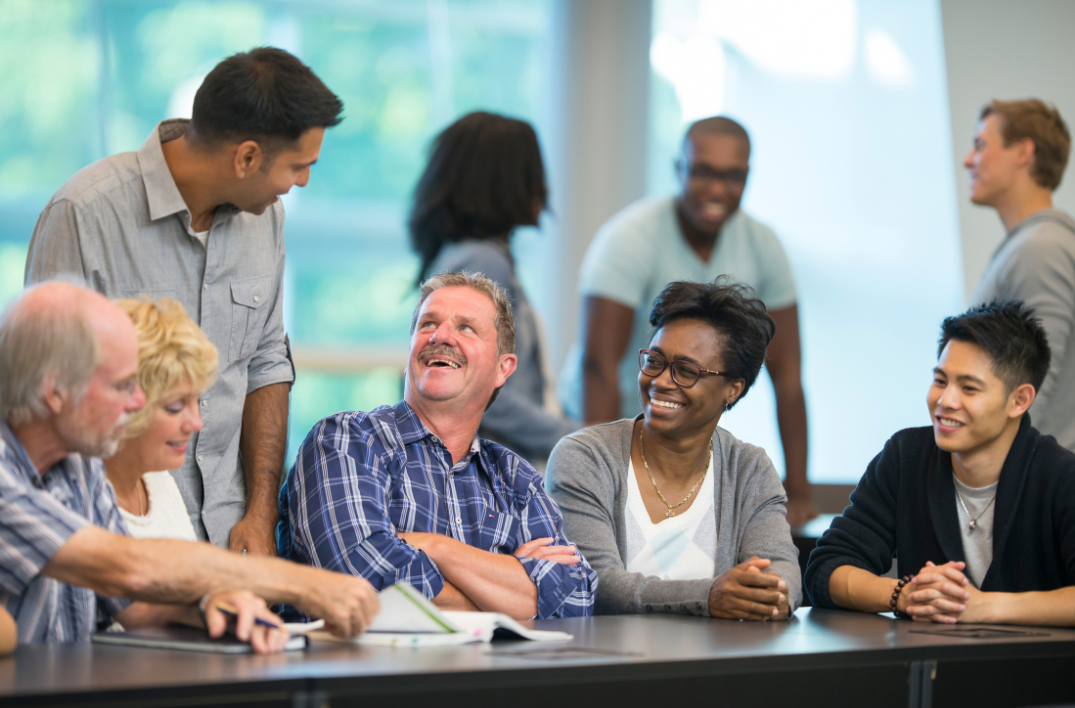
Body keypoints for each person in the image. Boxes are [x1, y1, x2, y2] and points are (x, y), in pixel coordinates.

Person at [25, 47, 345, 555]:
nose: (300, 183)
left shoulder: (266, 219)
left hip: (229, 538)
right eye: (297, 166)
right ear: (246, 157)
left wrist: (261, 512)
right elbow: (42, 403)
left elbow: (265, 365)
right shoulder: (83, 214)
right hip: (116, 542)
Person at [0, 282, 379, 646]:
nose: (135, 404)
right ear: (54, 393)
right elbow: (127, 566)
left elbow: (131, 605)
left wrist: (205, 606)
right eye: (120, 387)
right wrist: (305, 585)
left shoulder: (78, 466)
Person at [278, 272, 597, 619]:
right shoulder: (347, 442)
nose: (441, 336)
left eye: (466, 328)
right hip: (360, 670)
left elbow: (576, 598)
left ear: (502, 369)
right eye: (428, 324)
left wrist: (436, 548)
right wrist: (510, 582)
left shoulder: (515, 479)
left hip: (491, 673)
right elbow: (361, 579)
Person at [560, 116, 816, 524]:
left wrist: (798, 492)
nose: (717, 189)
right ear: (679, 169)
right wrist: (604, 470)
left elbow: (788, 376)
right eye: (703, 173)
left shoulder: (763, 246)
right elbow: (599, 367)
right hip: (604, 417)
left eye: (733, 176)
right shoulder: (629, 239)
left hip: (685, 432)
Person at [805, 302, 1075, 626]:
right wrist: (906, 593)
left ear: (1019, 400)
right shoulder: (906, 458)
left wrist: (985, 607)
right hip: (931, 669)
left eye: (969, 388)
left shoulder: (1061, 477)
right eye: (940, 381)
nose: (945, 401)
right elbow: (827, 568)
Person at [548, 279, 801, 618]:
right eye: (654, 361)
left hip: (710, 667)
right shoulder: (586, 457)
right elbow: (594, 581)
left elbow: (782, 572)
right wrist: (708, 597)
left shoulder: (749, 469)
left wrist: (770, 592)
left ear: (733, 389)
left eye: (686, 371)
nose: (661, 381)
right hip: (607, 663)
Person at [409, 111, 577, 464]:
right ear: (506, 180)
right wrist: (581, 439)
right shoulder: (483, 265)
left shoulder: (462, 255)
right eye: (533, 171)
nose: (544, 188)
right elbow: (485, 393)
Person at [965, 99, 1075, 453]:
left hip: (1043, 487)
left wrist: (1007, 478)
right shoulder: (1035, 244)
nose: (969, 160)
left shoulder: (1040, 248)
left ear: (1024, 151)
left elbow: (1040, 375)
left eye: (981, 145)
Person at [104, 298, 218, 540]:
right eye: (175, 406)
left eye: (196, 401)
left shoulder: (157, 480)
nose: (196, 424)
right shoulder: (77, 506)